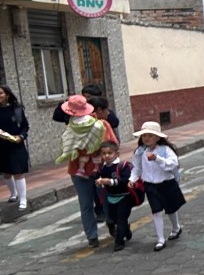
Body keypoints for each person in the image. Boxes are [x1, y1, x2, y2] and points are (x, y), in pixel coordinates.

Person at [56, 94, 116, 247]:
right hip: (100, 168)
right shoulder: (101, 125)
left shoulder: (70, 130)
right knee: (107, 200)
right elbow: (113, 144)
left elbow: (67, 149)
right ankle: (111, 224)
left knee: (86, 205)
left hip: (78, 170)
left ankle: (92, 236)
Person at [129, 121, 185, 252]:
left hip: (167, 183)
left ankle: (176, 228)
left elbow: (173, 164)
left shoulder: (165, 150)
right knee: (156, 211)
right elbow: (137, 168)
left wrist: (157, 158)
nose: (146, 138)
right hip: (150, 185)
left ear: (157, 137)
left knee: (171, 209)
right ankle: (160, 239)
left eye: (150, 135)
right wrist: (132, 179)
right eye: (144, 135)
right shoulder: (140, 152)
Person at [94, 140, 135, 251]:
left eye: (109, 153)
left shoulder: (122, 166)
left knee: (121, 219)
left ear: (117, 153)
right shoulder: (102, 168)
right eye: (104, 153)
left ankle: (119, 242)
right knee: (113, 219)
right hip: (111, 197)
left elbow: (126, 180)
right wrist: (99, 181)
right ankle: (126, 230)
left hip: (124, 197)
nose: (107, 156)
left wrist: (111, 181)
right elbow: (97, 177)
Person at [0, 84, 30, 211]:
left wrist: (21, 136)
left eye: (1, 93)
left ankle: (23, 200)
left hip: (16, 144)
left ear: (7, 94)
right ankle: (13, 194)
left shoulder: (17, 109)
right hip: (2, 145)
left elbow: (25, 126)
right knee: (6, 173)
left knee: (18, 172)